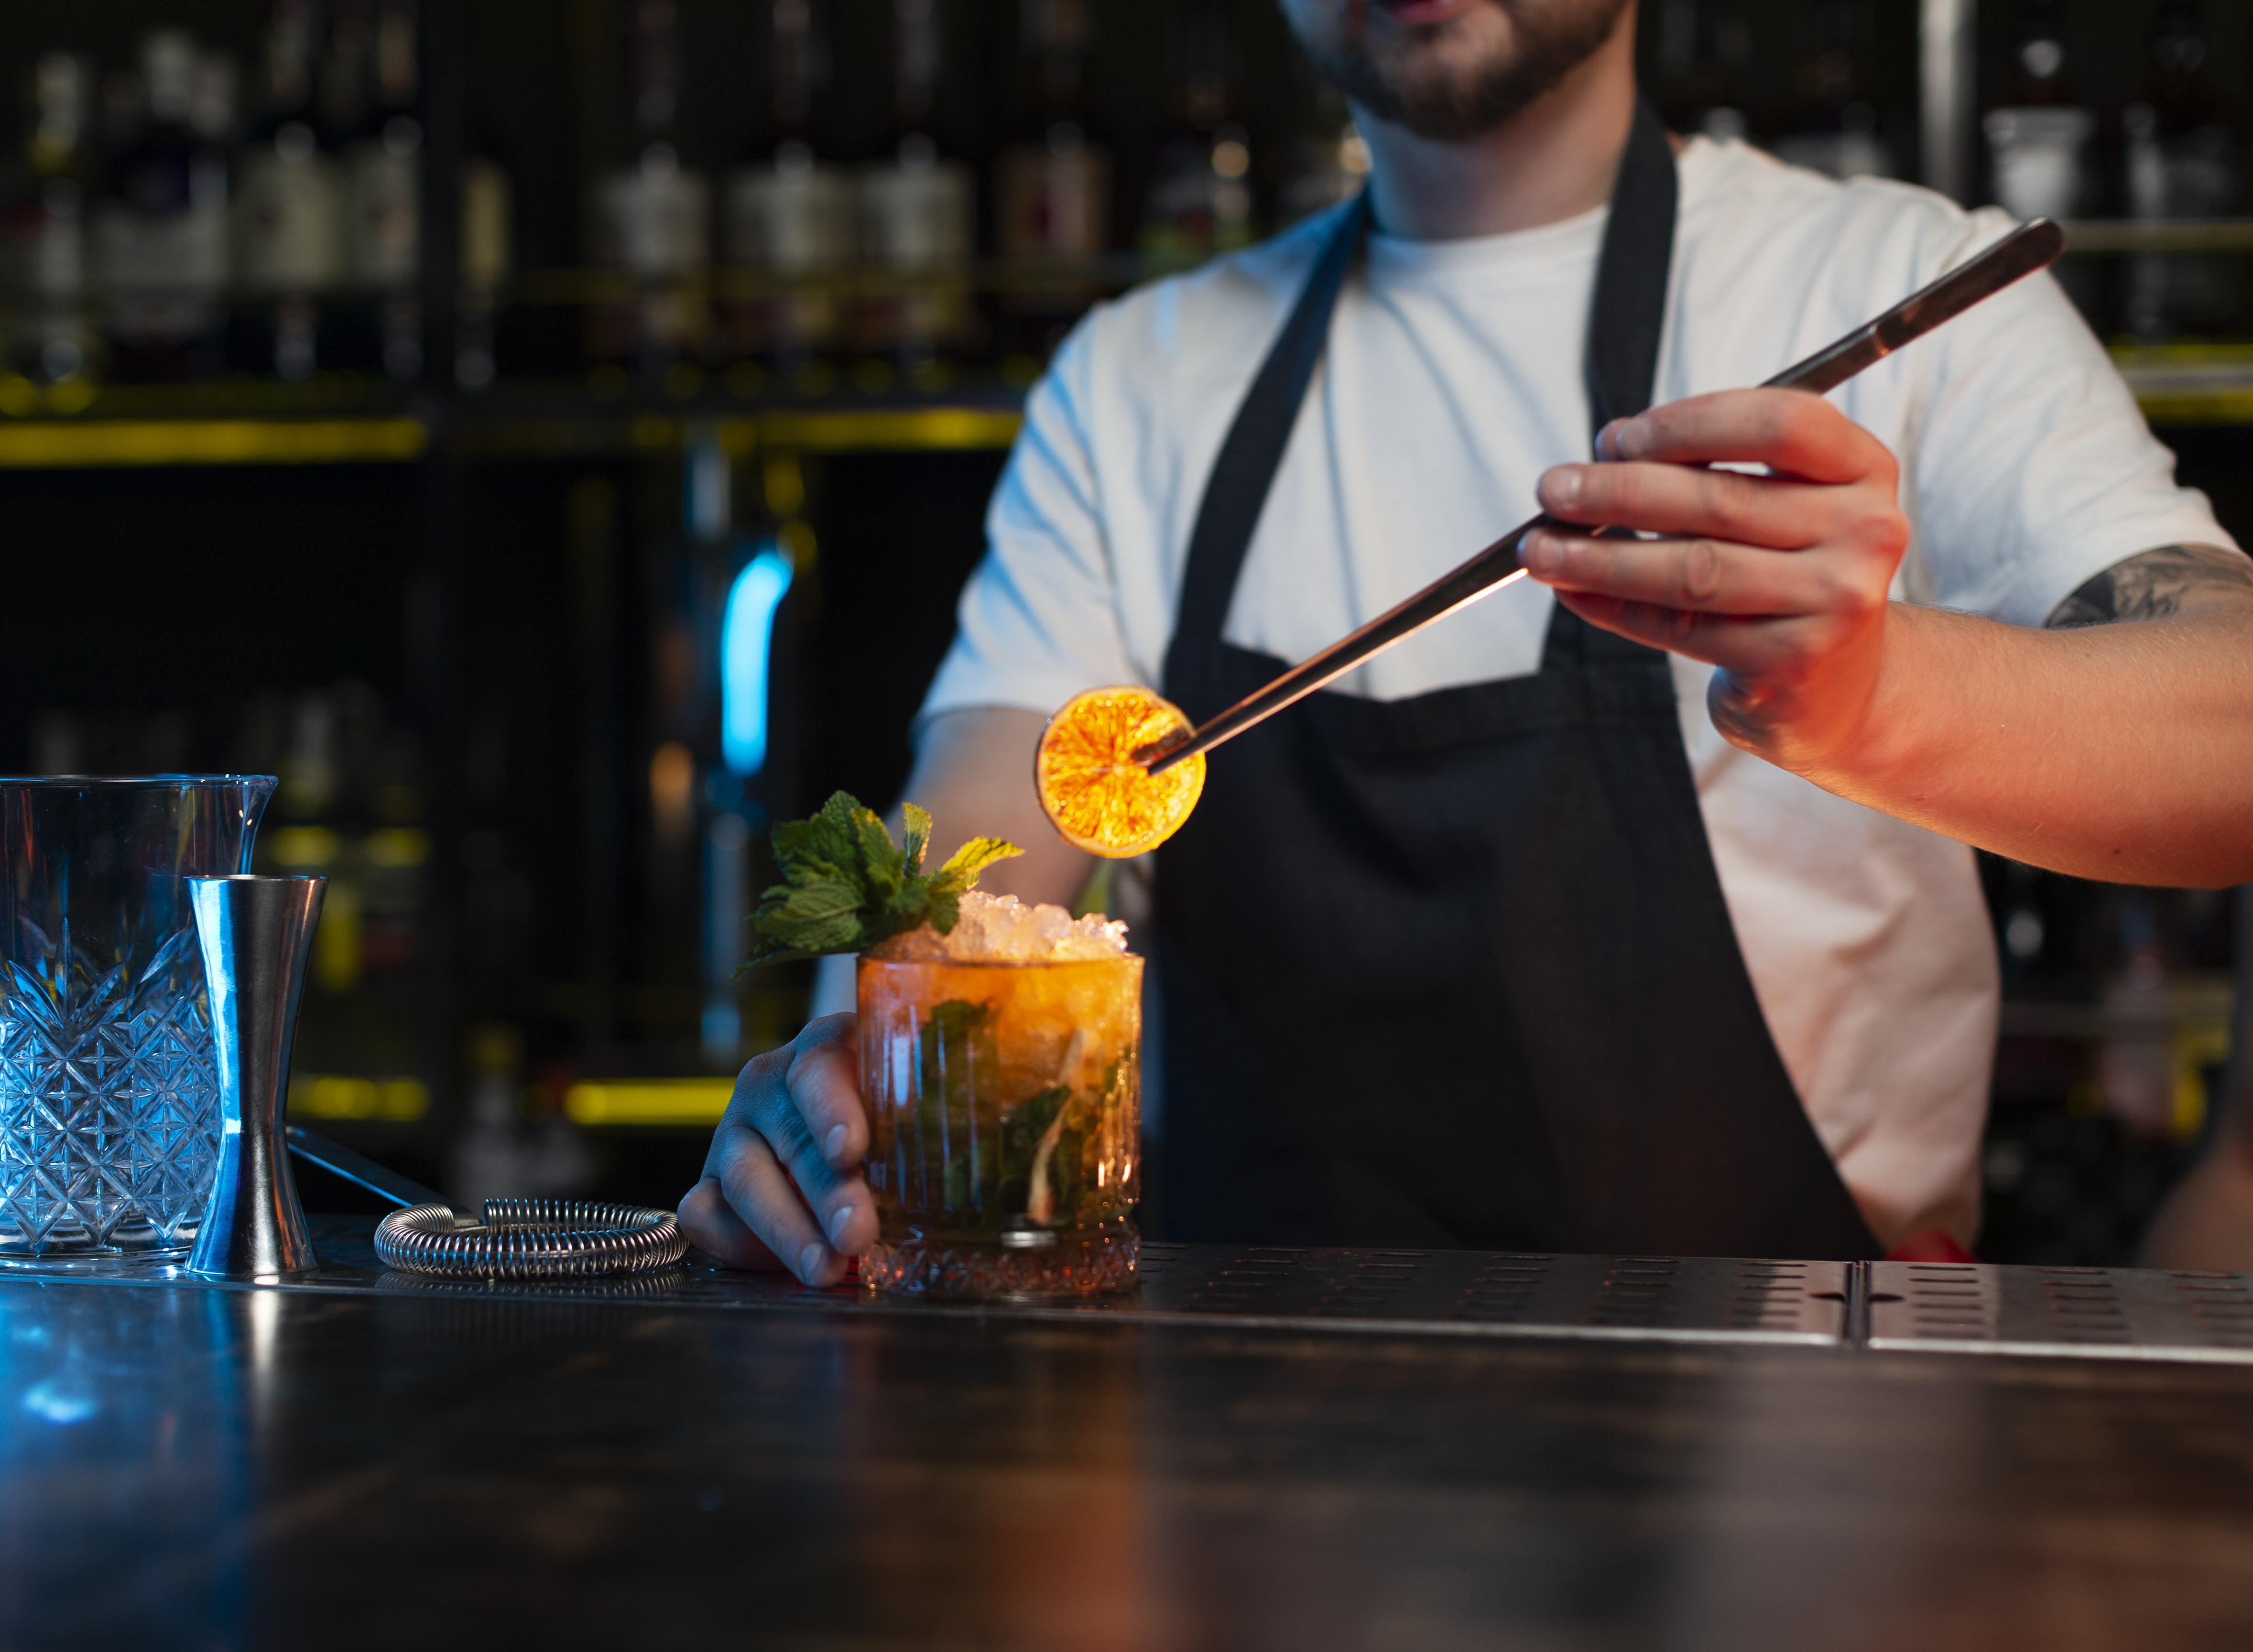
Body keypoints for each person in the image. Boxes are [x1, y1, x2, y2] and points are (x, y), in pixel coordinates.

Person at [682, 0, 2253, 1285]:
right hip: (1243, 1472)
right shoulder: (1135, 383)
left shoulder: (1893, 284)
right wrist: (853, 1069)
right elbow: (983, 840)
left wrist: (1880, 691)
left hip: (1813, 1459)